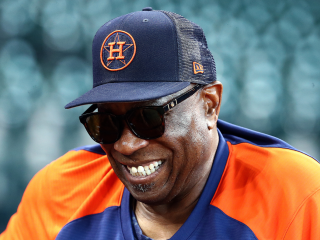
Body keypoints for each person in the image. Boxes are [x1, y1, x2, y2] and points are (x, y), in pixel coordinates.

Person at [1, 7, 320, 240]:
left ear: (209, 106)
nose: (126, 144)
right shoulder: (58, 192)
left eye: (148, 118)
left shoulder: (297, 195)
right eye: (106, 123)